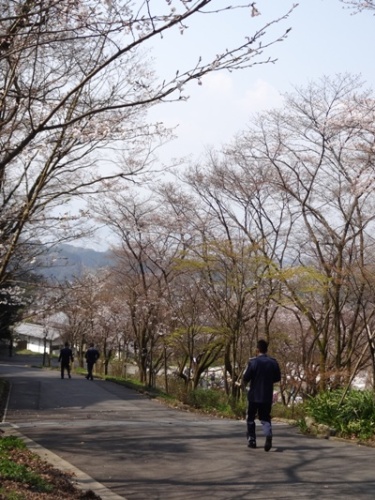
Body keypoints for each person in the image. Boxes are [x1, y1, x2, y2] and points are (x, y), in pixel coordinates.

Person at [243, 339, 281, 452]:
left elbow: (246, 378)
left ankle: (252, 440)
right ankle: (268, 433)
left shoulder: (253, 362)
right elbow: (277, 378)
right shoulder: (273, 362)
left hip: (254, 395)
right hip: (266, 395)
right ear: (266, 350)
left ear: (257, 350)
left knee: (250, 417)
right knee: (265, 417)